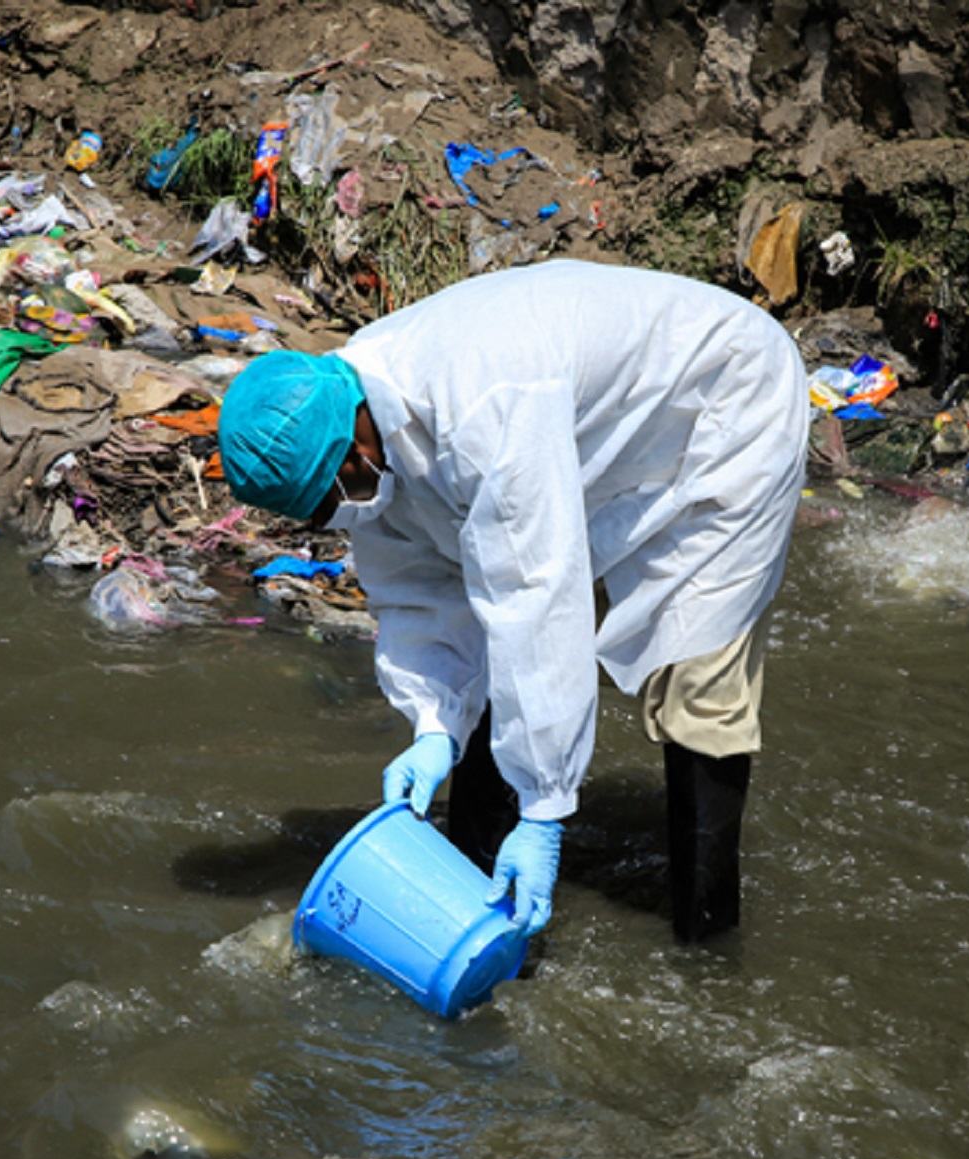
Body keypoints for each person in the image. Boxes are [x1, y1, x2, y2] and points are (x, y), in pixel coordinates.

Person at [218, 260, 806, 944]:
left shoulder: (479, 407)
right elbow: (417, 593)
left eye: (332, 499)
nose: (340, 516)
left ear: (353, 447)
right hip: (593, 438)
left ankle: (706, 944)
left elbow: (537, 599)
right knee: (500, 657)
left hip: (722, 410)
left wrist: (545, 812)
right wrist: (435, 724)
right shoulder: (361, 425)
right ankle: (482, 909)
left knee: (696, 687)